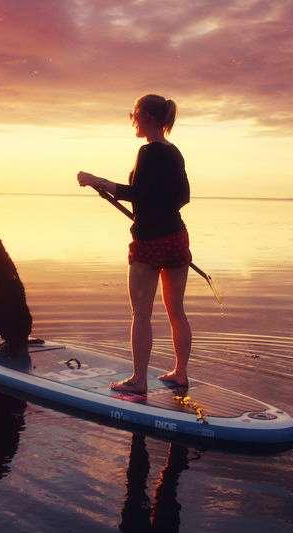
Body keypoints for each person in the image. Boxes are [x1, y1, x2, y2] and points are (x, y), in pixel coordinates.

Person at [77, 93, 192, 394]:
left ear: (149, 119)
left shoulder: (148, 152)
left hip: (148, 241)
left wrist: (94, 179)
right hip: (176, 237)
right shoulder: (174, 152)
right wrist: (160, 209)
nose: (133, 120)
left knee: (141, 313)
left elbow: (136, 193)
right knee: (176, 310)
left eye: (136, 115)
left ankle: (139, 381)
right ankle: (180, 373)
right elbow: (183, 197)